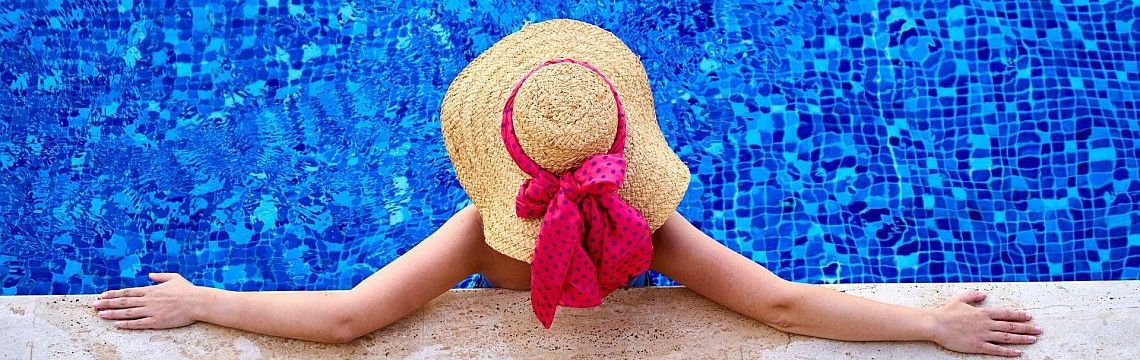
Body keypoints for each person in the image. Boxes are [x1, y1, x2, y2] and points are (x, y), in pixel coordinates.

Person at [91, 19, 1041, 357]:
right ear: (623, 143)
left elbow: (350, 319)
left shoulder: (481, 236)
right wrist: (927, 321)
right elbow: (786, 305)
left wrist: (202, 301)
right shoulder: (656, 232)